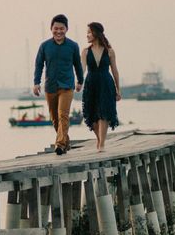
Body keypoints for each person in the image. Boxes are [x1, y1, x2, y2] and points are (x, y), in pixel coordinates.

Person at [33, 14, 84, 155]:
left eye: (62, 28)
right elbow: (38, 65)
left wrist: (80, 80)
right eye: (56, 28)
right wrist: (36, 83)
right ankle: (65, 141)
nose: (59, 31)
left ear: (66, 29)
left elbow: (77, 64)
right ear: (51, 29)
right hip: (50, 86)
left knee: (63, 115)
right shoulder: (45, 46)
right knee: (55, 119)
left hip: (67, 86)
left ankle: (60, 145)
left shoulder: (73, 46)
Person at [81, 22, 121, 151]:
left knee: (104, 112)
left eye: (89, 32)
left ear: (96, 33)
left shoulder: (109, 51)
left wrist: (118, 89)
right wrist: (78, 82)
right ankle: (99, 139)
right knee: (92, 114)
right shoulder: (85, 52)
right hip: (91, 83)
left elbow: (115, 70)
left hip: (106, 83)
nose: (87, 35)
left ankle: (102, 144)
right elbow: (82, 69)